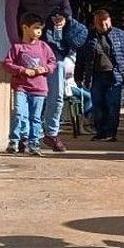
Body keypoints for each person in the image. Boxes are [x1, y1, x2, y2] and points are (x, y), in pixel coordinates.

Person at [78, 9, 124, 141]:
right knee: (98, 105)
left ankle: (111, 132)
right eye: (100, 24)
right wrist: (79, 76)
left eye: (106, 23)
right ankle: (101, 132)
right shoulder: (88, 37)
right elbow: (81, 58)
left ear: (110, 20)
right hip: (96, 76)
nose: (104, 26)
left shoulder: (121, 35)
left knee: (113, 105)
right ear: (95, 23)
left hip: (115, 76)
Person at [3, 12, 56, 156]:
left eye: (41, 29)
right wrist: (23, 70)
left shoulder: (44, 47)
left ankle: (34, 144)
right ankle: (14, 141)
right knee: (19, 113)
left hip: (39, 89)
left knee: (36, 117)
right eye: (36, 28)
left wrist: (44, 69)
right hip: (21, 87)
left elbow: (52, 63)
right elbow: (7, 64)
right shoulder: (17, 48)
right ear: (25, 28)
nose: (39, 31)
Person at [39, 9, 88, 152]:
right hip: (37, 57)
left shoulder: (72, 25)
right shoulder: (40, 22)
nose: (57, 19)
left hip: (57, 61)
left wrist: (68, 24)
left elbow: (80, 38)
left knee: (56, 98)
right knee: (35, 97)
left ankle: (51, 133)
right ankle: (29, 134)